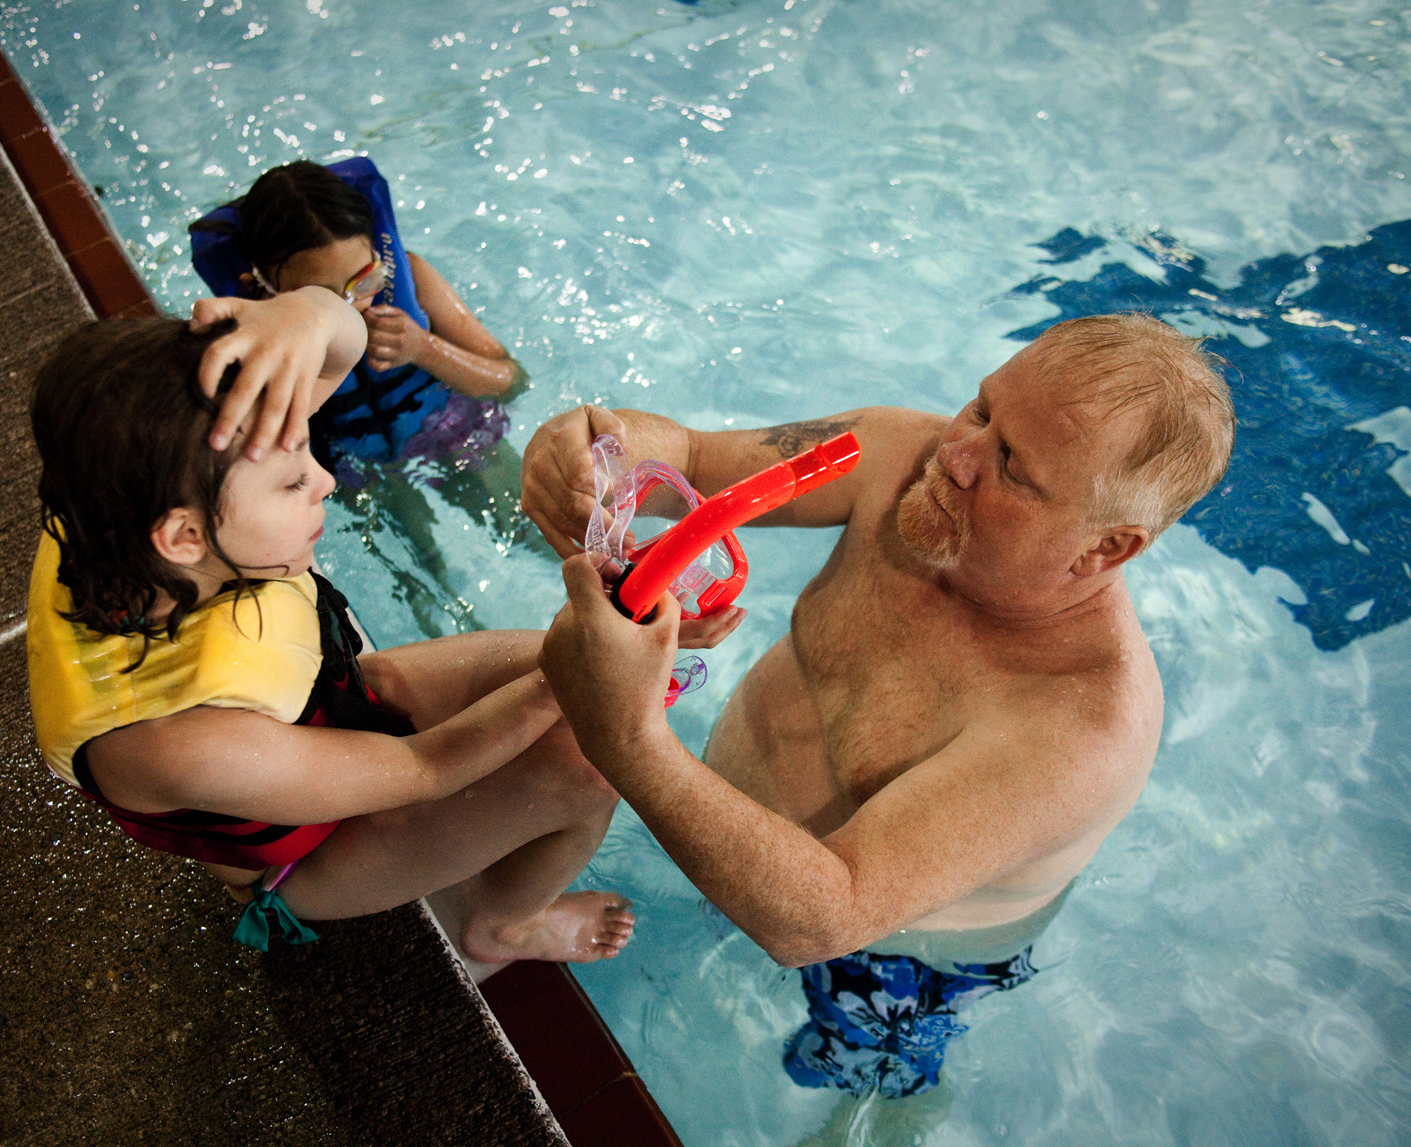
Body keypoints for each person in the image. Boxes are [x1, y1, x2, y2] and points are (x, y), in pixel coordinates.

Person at [523, 313, 1235, 1107]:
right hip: (712, 819)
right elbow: (689, 455)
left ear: (1105, 548)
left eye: (1011, 465)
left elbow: (825, 917)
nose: (954, 455)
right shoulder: (897, 455)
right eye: (981, 408)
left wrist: (625, 735)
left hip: (897, 958)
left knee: (857, 1093)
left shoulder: (1080, 722)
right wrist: (597, 454)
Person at [26, 285, 633, 966]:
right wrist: (565, 677)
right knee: (591, 761)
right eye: (293, 483)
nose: (327, 483)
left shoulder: (146, 496)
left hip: (331, 704)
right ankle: (504, 925)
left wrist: (309, 316)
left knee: (589, 697)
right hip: (306, 860)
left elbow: (342, 350)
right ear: (185, 536)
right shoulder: (174, 739)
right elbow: (421, 768)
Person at [191, 158, 542, 600]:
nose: (353, 305)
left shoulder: (411, 277)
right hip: (361, 470)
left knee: (533, 525)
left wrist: (424, 348)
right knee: (423, 574)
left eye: (365, 279)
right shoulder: (259, 344)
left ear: (379, 253)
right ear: (261, 288)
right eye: (321, 299)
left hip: (451, 431)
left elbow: (511, 381)